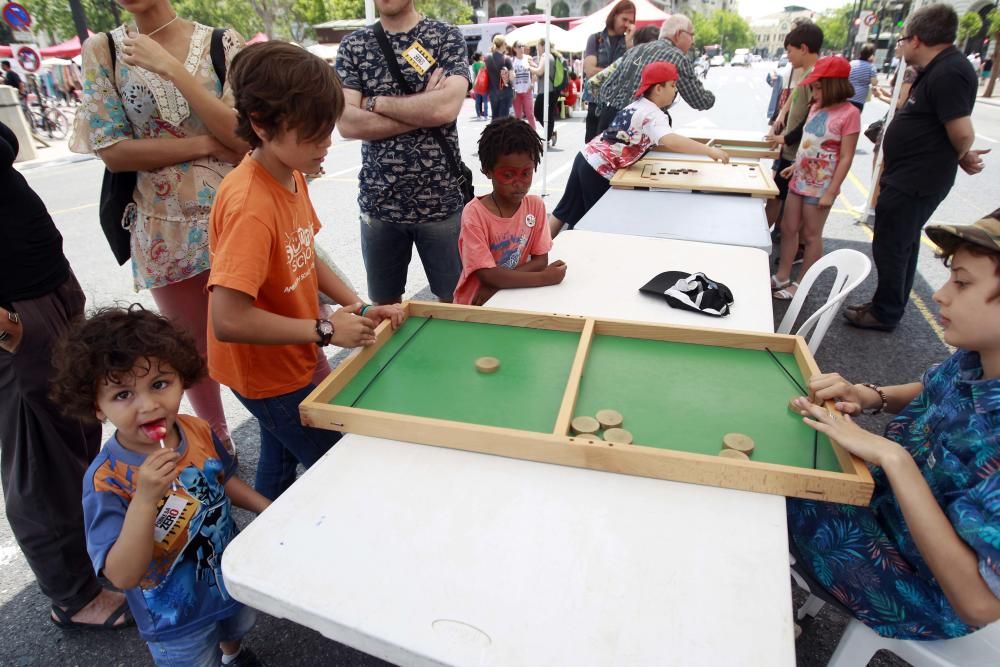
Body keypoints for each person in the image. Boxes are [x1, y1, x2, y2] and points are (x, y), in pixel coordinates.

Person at [787, 209, 1000, 640]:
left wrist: (893, 457)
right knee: (780, 452)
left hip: (915, 586)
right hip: (878, 498)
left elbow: (978, 603)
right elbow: (932, 389)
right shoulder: (979, 354)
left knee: (760, 493)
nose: (940, 295)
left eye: (962, 283)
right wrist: (871, 396)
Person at [208, 42, 405, 500]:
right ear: (261, 125)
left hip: (294, 354)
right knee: (333, 463)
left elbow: (304, 253)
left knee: (279, 452)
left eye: (327, 131)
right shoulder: (249, 206)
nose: (326, 145)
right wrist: (322, 330)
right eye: (313, 135)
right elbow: (228, 319)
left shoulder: (290, 170)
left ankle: (261, 534)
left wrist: (357, 306)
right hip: (265, 374)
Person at [71, 0, 247, 455]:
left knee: (254, 332)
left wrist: (173, 70)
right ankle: (216, 442)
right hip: (162, 228)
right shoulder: (103, 49)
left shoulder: (220, 42)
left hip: (235, 218)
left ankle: (288, 422)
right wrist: (207, 142)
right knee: (191, 352)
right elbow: (112, 149)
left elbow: (242, 135)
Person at [53, 305, 270, 666]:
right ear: (97, 408)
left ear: (181, 379)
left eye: (159, 384)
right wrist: (145, 498)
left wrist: (267, 508)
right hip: (174, 616)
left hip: (226, 578)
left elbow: (224, 478)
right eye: (123, 395)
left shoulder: (196, 429)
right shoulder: (106, 480)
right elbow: (122, 574)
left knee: (236, 625)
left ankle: (232, 655)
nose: (149, 405)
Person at [0, 121, 130, 631]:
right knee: (41, 460)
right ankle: (74, 596)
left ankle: (97, 558)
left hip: (43, 283)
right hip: (16, 311)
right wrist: (9, 329)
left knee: (77, 431)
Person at [845, 4, 989, 331]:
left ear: (918, 39)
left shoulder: (950, 71)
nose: (900, 46)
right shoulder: (939, 69)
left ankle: (885, 311)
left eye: (903, 39)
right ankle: (889, 303)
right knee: (901, 243)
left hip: (916, 179)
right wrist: (958, 153)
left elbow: (961, 131)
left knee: (893, 243)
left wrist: (962, 153)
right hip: (911, 176)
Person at [335, 0, 469, 305]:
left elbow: (446, 107)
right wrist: (424, 104)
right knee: (385, 311)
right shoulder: (354, 45)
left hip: (441, 202)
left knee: (457, 304)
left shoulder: (445, 37)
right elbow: (347, 123)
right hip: (379, 205)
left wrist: (373, 102)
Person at [547, 62, 729, 238]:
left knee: (563, 211)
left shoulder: (637, 105)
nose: (676, 90)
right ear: (658, 88)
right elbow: (670, 140)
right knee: (595, 224)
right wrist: (708, 151)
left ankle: (537, 251)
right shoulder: (654, 114)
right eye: (673, 85)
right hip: (600, 170)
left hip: (585, 157)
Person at [770, 57, 860, 300]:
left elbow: (846, 157)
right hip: (799, 178)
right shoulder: (815, 108)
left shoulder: (850, 113)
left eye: (818, 87)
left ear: (833, 86)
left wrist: (832, 190)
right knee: (788, 228)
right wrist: (796, 166)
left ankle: (801, 284)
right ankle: (782, 275)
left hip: (820, 185)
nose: (814, 91)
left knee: (811, 236)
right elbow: (808, 144)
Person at [454, 118, 565, 306]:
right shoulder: (474, 215)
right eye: (508, 175)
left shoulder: (535, 207)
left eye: (526, 173)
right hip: (476, 303)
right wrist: (544, 278)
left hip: (510, 296)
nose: (518, 183)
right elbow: (487, 274)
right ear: (487, 170)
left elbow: (540, 260)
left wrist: (499, 285)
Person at [595, 15, 715, 136]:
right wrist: (711, 96)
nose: (693, 41)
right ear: (679, 34)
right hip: (637, 126)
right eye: (691, 35)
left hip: (608, 119)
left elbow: (605, 87)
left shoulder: (634, 50)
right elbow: (700, 101)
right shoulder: (677, 57)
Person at [765, 21, 823, 231]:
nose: (788, 56)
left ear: (804, 48)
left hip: (797, 153)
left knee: (779, 199)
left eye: (790, 51)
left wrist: (786, 139)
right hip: (792, 151)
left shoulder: (814, 77)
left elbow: (811, 117)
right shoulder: (806, 74)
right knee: (779, 198)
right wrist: (781, 116)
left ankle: (764, 238)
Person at [583, 0, 635, 141]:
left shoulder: (629, 44)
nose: (626, 25)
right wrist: (618, 71)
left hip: (618, 108)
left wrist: (630, 45)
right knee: (591, 149)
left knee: (613, 151)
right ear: (614, 16)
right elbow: (589, 70)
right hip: (596, 105)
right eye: (624, 19)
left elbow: (632, 74)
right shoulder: (595, 39)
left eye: (630, 22)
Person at [530, 39, 562, 147]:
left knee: (538, 112)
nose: (537, 49)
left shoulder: (545, 55)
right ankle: (550, 134)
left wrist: (529, 67)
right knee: (547, 113)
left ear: (542, 45)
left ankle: (548, 137)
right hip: (553, 89)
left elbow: (539, 71)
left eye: (537, 46)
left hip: (546, 90)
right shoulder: (551, 55)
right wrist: (533, 64)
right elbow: (542, 69)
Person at [485, 34, 514, 120]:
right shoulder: (506, 59)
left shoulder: (487, 58)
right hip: (505, 92)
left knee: (495, 118)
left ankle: (492, 133)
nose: (506, 45)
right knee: (504, 119)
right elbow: (512, 77)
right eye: (505, 44)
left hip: (493, 92)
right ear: (502, 45)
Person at [510, 41, 535, 128]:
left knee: (530, 114)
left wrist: (532, 84)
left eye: (522, 46)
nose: (521, 48)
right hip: (516, 92)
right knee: (518, 116)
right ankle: (519, 136)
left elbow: (535, 71)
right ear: (514, 49)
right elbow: (509, 75)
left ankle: (534, 134)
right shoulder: (511, 60)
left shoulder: (528, 58)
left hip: (527, 90)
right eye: (519, 46)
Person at [848, 43, 878, 113]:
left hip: (847, 95)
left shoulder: (852, 63)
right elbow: (874, 83)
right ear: (871, 55)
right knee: (854, 119)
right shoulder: (871, 67)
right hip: (859, 99)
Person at [471, 52, 489, 120]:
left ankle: (478, 115)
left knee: (477, 101)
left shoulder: (473, 65)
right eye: (482, 56)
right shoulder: (483, 64)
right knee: (485, 101)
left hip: (476, 85)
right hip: (483, 84)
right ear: (480, 57)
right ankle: (486, 116)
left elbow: (474, 74)